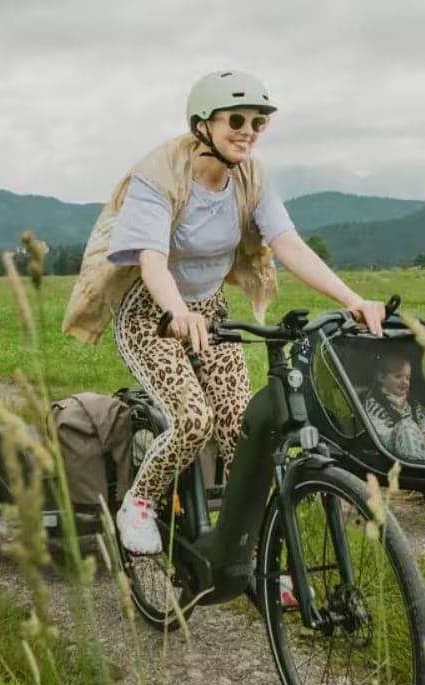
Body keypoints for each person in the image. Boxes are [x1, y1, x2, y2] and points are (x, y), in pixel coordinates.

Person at [62, 69, 388, 555]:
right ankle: (140, 501)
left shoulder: (250, 177)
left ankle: (246, 549)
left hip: (212, 313)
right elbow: (151, 259)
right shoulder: (157, 176)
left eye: (258, 123)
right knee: (194, 420)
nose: (248, 131)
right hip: (153, 314)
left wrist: (353, 300)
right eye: (236, 120)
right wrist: (177, 311)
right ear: (202, 124)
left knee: (242, 426)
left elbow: (288, 244)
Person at [363, 359, 425, 463]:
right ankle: (415, 466)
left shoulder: (413, 403)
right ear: (381, 377)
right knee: (406, 426)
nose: (404, 382)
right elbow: (380, 435)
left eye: (407, 378)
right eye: (398, 377)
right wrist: (408, 431)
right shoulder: (374, 404)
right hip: (392, 454)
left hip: (423, 448)